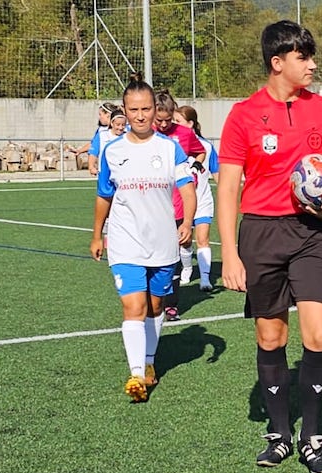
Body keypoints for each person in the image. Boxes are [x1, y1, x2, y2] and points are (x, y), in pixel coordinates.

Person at [216, 20, 322, 473]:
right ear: (277, 63)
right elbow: (228, 187)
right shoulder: (243, 115)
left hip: (313, 233)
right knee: (271, 337)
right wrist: (230, 253)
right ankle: (279, 434)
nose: (312, 65)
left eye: (311, 56)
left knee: (319, 335)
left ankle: (312, 436)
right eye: (302, 57)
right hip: (261, 233)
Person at [90, 72, 197, 403]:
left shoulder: (169, 148)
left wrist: (187, 221)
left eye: (146, 109)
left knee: (155, 305)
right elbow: (104, 195)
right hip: (124, 240)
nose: (140, 116)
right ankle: (137, 374)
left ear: (155, 110)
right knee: (133, 305)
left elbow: (187, 189)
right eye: (134, 110)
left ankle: (149, 361)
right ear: (124, 111)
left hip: (162, 241)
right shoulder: (112, 151)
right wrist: (97, 234)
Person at [153, 90, 206, 322]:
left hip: (177, 205)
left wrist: (195, 165)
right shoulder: (144, 133)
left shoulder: (184, 133)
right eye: (159, 120)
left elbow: (200, 152)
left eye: (168, 120)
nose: (164, 125)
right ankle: (151, 302)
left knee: (172, 258)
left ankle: (171, 305)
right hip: (152, 206)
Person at [175, 105, 219, 292]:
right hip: (182, 202)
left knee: (203, 238)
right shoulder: (173, 145)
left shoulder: (206, 147)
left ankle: (205, 279)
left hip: (202, 200)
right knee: (184, 240)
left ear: (190, 124)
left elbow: (217, 173)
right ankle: (186, 269)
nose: (174, 124)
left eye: (178, 121)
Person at [78, 102, 119, 175]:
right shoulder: (101, 131)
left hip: (121, 170)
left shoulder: (125, 129)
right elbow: (94, 148)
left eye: (100, 114)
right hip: (105, 172)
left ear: (108, 115)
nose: (99, 117)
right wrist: (91, 166)